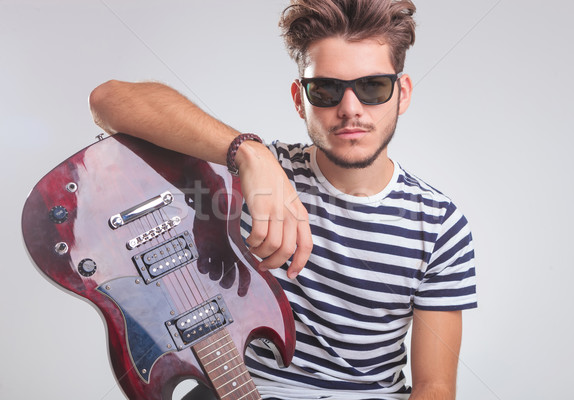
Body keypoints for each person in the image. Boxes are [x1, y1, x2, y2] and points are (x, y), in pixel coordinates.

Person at [89, 0, 477, 399]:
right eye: (325, 89)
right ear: (299, 99)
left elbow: (435, 387)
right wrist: (250, 154)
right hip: (243, 388)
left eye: (372, 87)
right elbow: (108, 100)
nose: (350, 109)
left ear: (402, 93)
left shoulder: (439, 226)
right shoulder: (250, 174)